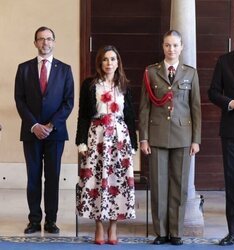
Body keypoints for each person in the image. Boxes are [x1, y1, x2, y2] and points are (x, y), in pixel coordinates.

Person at [139, 30, 201, 245]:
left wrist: (196, 140)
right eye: (167, 45)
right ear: (162, 47)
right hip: (157, 136)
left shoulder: (190, 73)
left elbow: (195, 108)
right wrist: (143, 138)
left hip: (183, 136)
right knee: (158, 185)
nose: (171, 49)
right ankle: (161, 231)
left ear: (181, 47)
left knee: (180, 185)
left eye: (175, 45)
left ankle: (176, 231)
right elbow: (144, 109)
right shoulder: (151, 72)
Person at [14, 26, 74, 234]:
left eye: (49, 39)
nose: (45, 43)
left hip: (55, 133)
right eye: (41, 39)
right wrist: (34, 125)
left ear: (54, 42)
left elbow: (68, 102)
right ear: (35, 43)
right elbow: (19, 100)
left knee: (53, 176)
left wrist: (50, 126)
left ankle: (51, 220)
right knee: (33, 176)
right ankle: (33, 220)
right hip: (31, 132)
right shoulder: (24, 69)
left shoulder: (65, 70)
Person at [75, 45, 138, 245]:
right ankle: (99, 226)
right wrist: (81, 141)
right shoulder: (90, 84)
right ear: (100, 63)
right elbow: (83, 115)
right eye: (105, 59)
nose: (109, 63)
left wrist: (133, 144)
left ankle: (113, 226)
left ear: (118, 62)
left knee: (116, 183)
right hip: (97, 138)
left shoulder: (125, 86)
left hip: (119, 139)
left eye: (112, 59)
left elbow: (130, 117)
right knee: (96, 182)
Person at [208, 17, 234, 246]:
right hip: (231, 129)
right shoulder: (224, 61)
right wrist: (232, 103)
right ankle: (233, 232)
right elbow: (213, 93)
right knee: (232, 182)